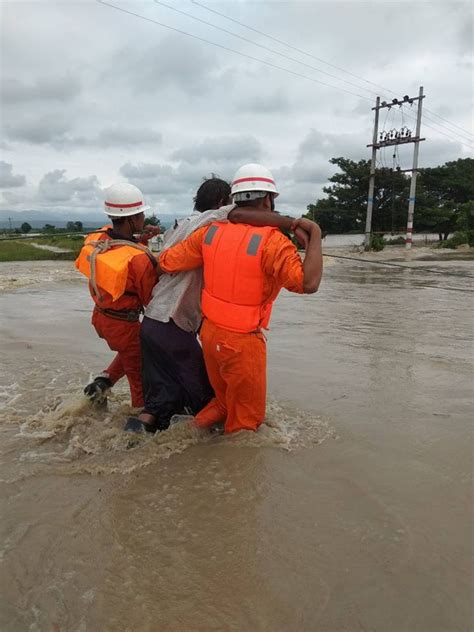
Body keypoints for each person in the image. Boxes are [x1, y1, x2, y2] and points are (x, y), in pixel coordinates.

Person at [124, 175, 311, 434]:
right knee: (224, 409)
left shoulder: (185, 226)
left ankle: (150, 440)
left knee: (166, 401)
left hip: (160, 322)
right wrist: (302, 227)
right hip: (191, 329)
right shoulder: (225, 223)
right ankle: (212, 457)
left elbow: (162, 263)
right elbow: (307, 283)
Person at [76, 183, 160, 408]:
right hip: (125, 325)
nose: (144, 218)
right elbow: (150, 301)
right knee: (139, 379)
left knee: (130, 353)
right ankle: (137, 426)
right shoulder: (139, 260)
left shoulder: (99, 238)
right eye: (141, 214)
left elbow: (121, 249)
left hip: (101, 317)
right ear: (132, 219)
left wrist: (141, 239)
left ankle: (102, 383)